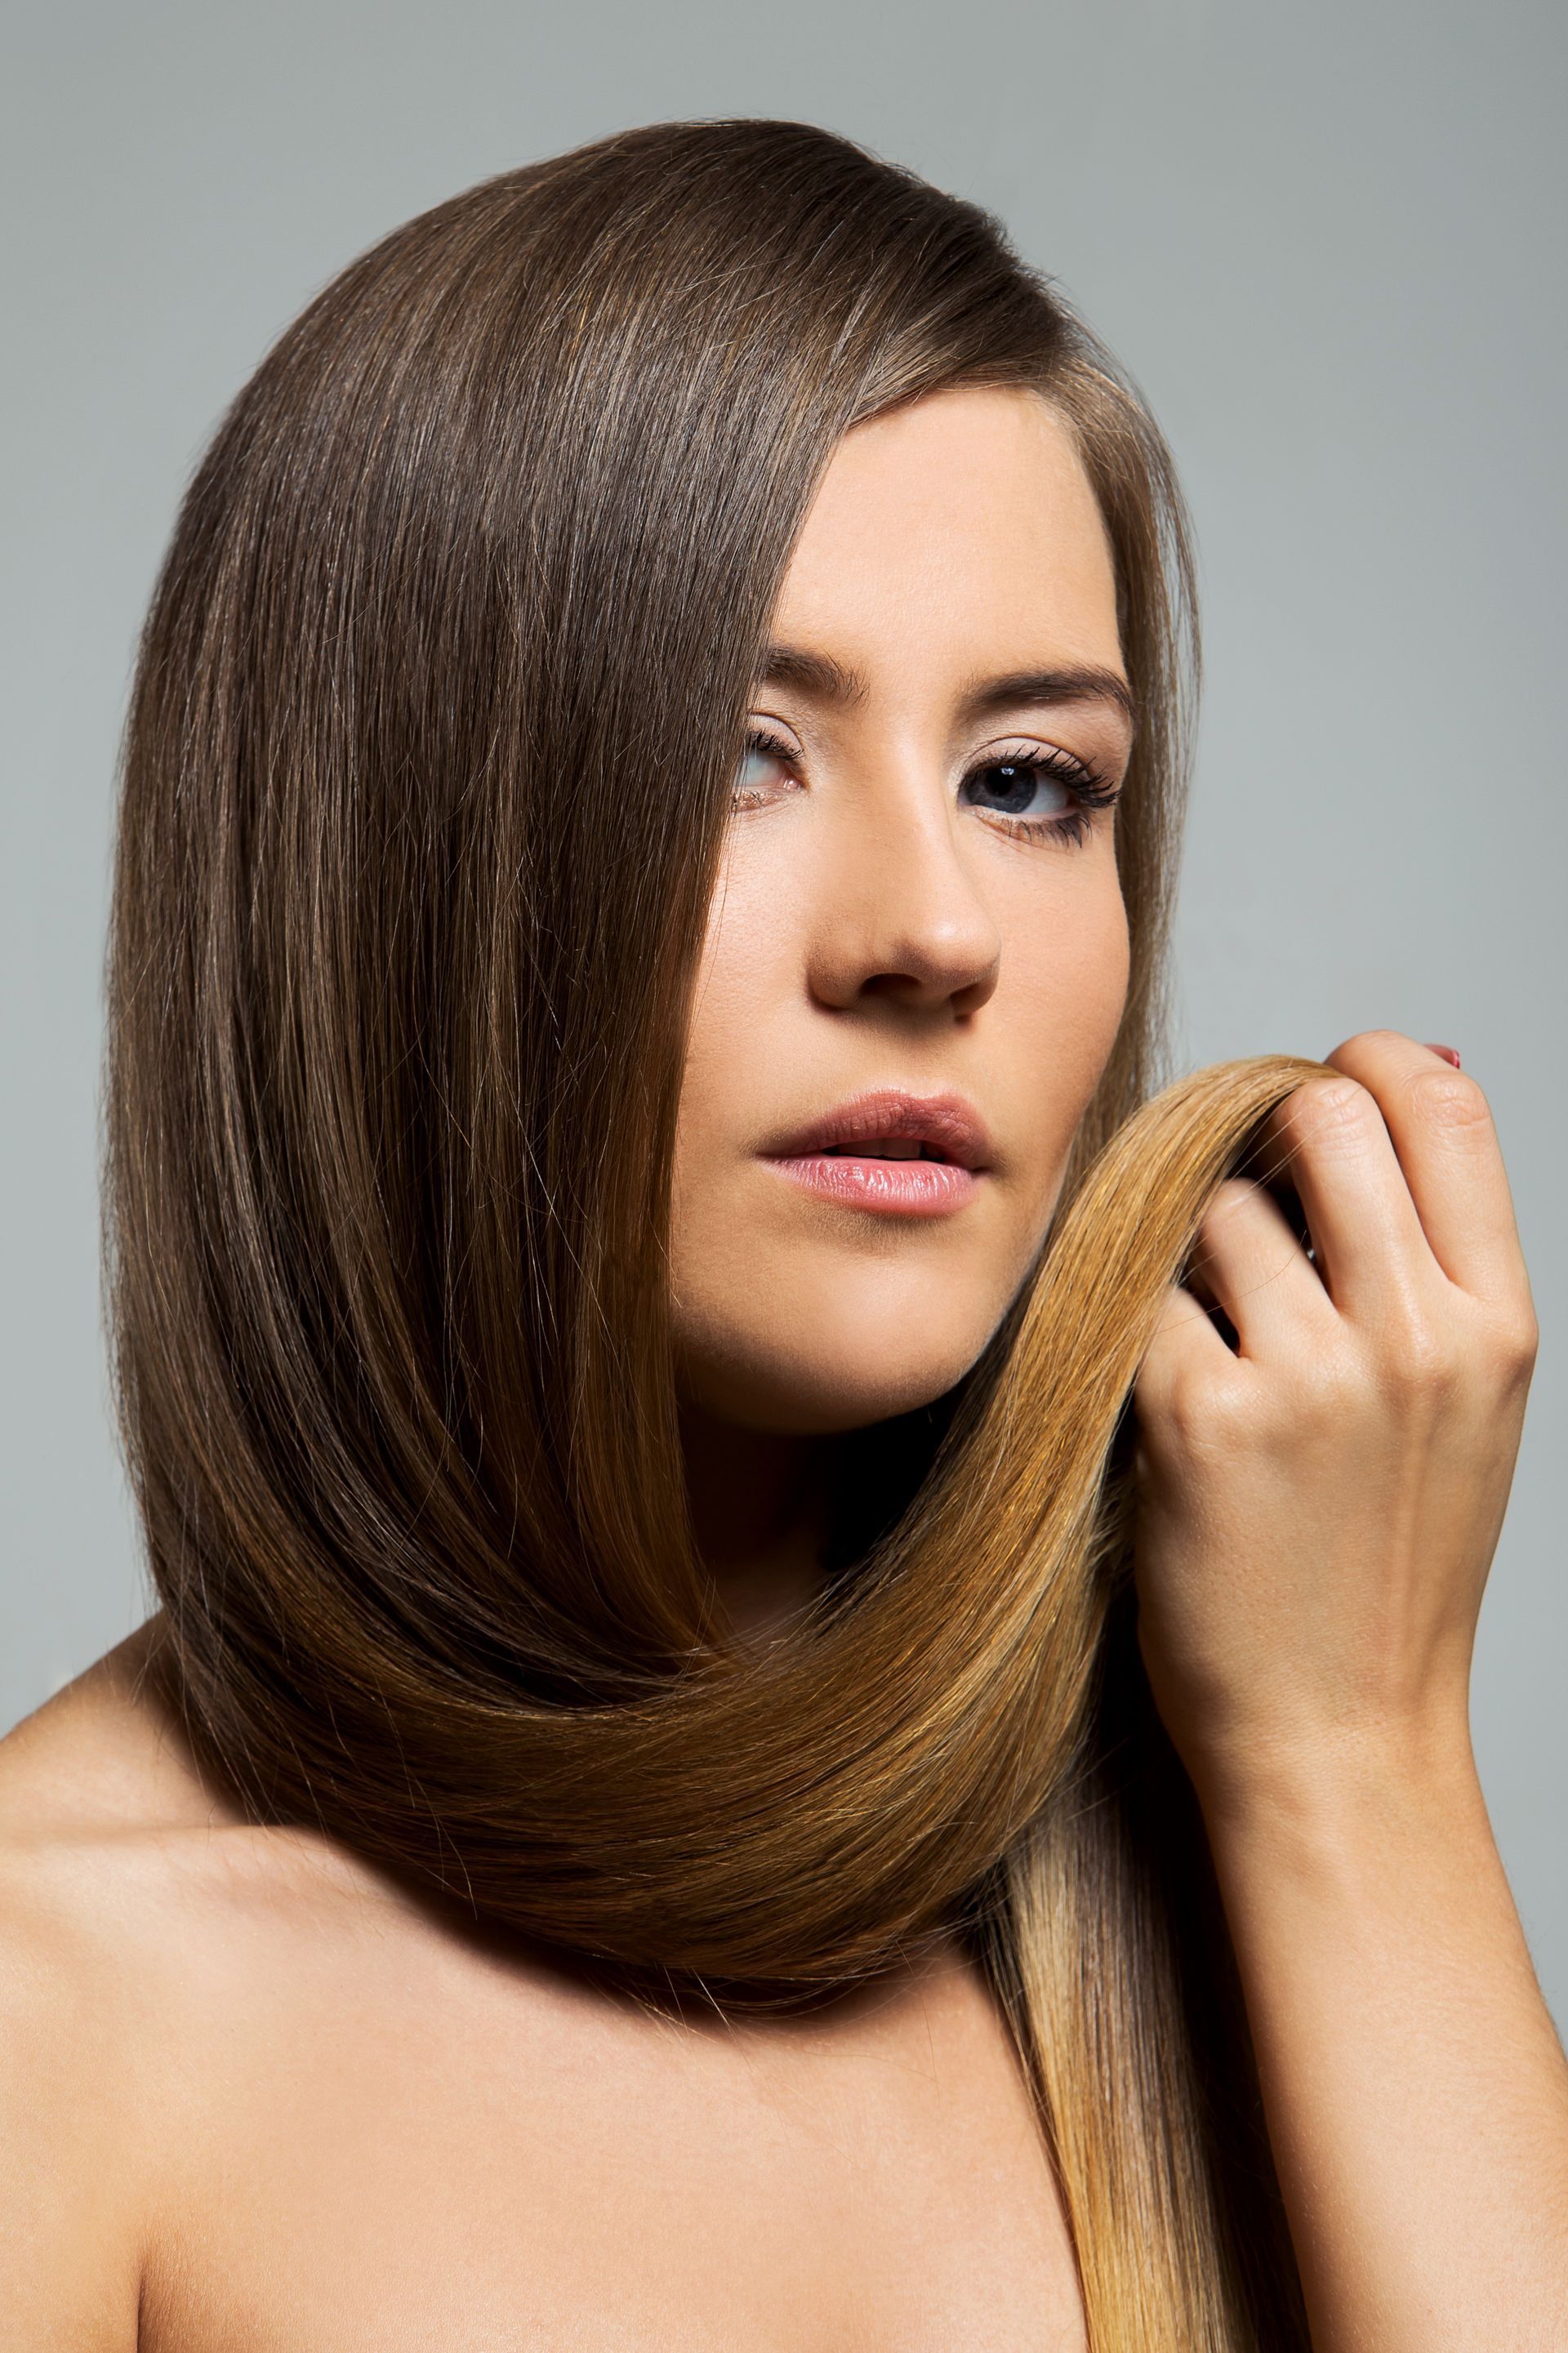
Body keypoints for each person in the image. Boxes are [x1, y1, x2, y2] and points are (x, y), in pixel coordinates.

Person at [2, 116, 1564, 2351]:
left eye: (1032, 783)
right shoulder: (53, 2011)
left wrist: (1366, 1766)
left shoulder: (1228, 1864)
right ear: (380, 887)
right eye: (738, 751)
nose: (933, 932)